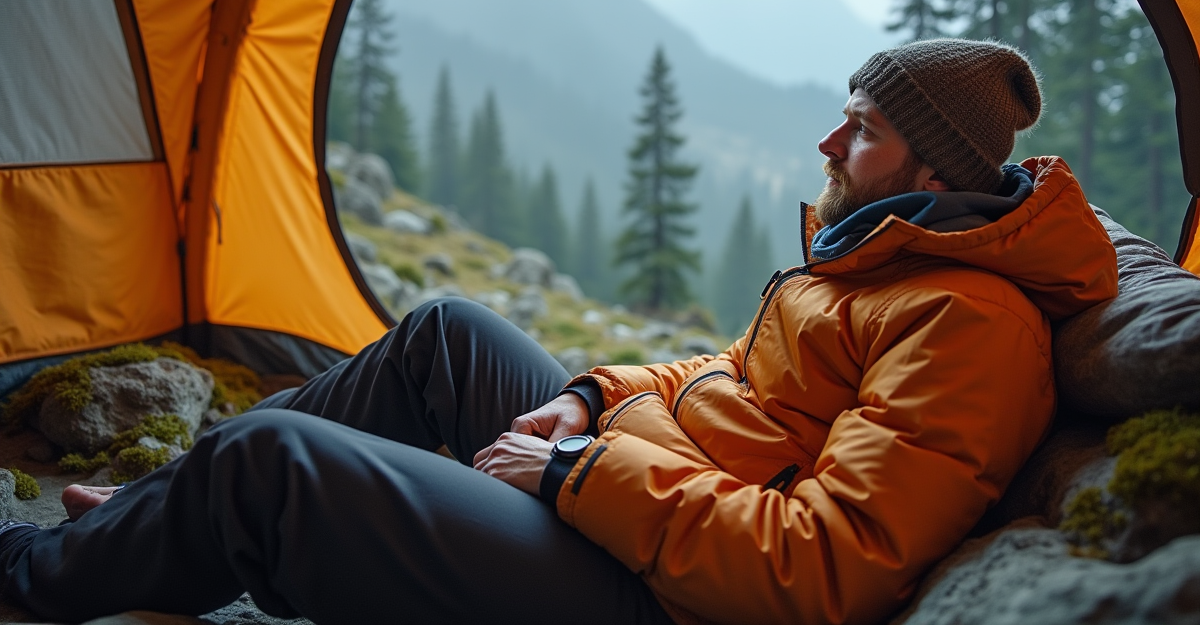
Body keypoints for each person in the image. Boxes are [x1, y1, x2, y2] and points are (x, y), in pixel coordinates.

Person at [2, 39, 1117, 625]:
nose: (829, 142)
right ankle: (155, 512)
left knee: (274, 459)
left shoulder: (967, 323)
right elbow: (727, 374)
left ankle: (41, 568)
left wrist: (579, 468)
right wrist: (590, 392)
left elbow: (821, 568)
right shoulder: (890, 254)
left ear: (934, 166)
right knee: (445, 329)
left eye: (862, 129)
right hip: (647, 496)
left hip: (668, 594)